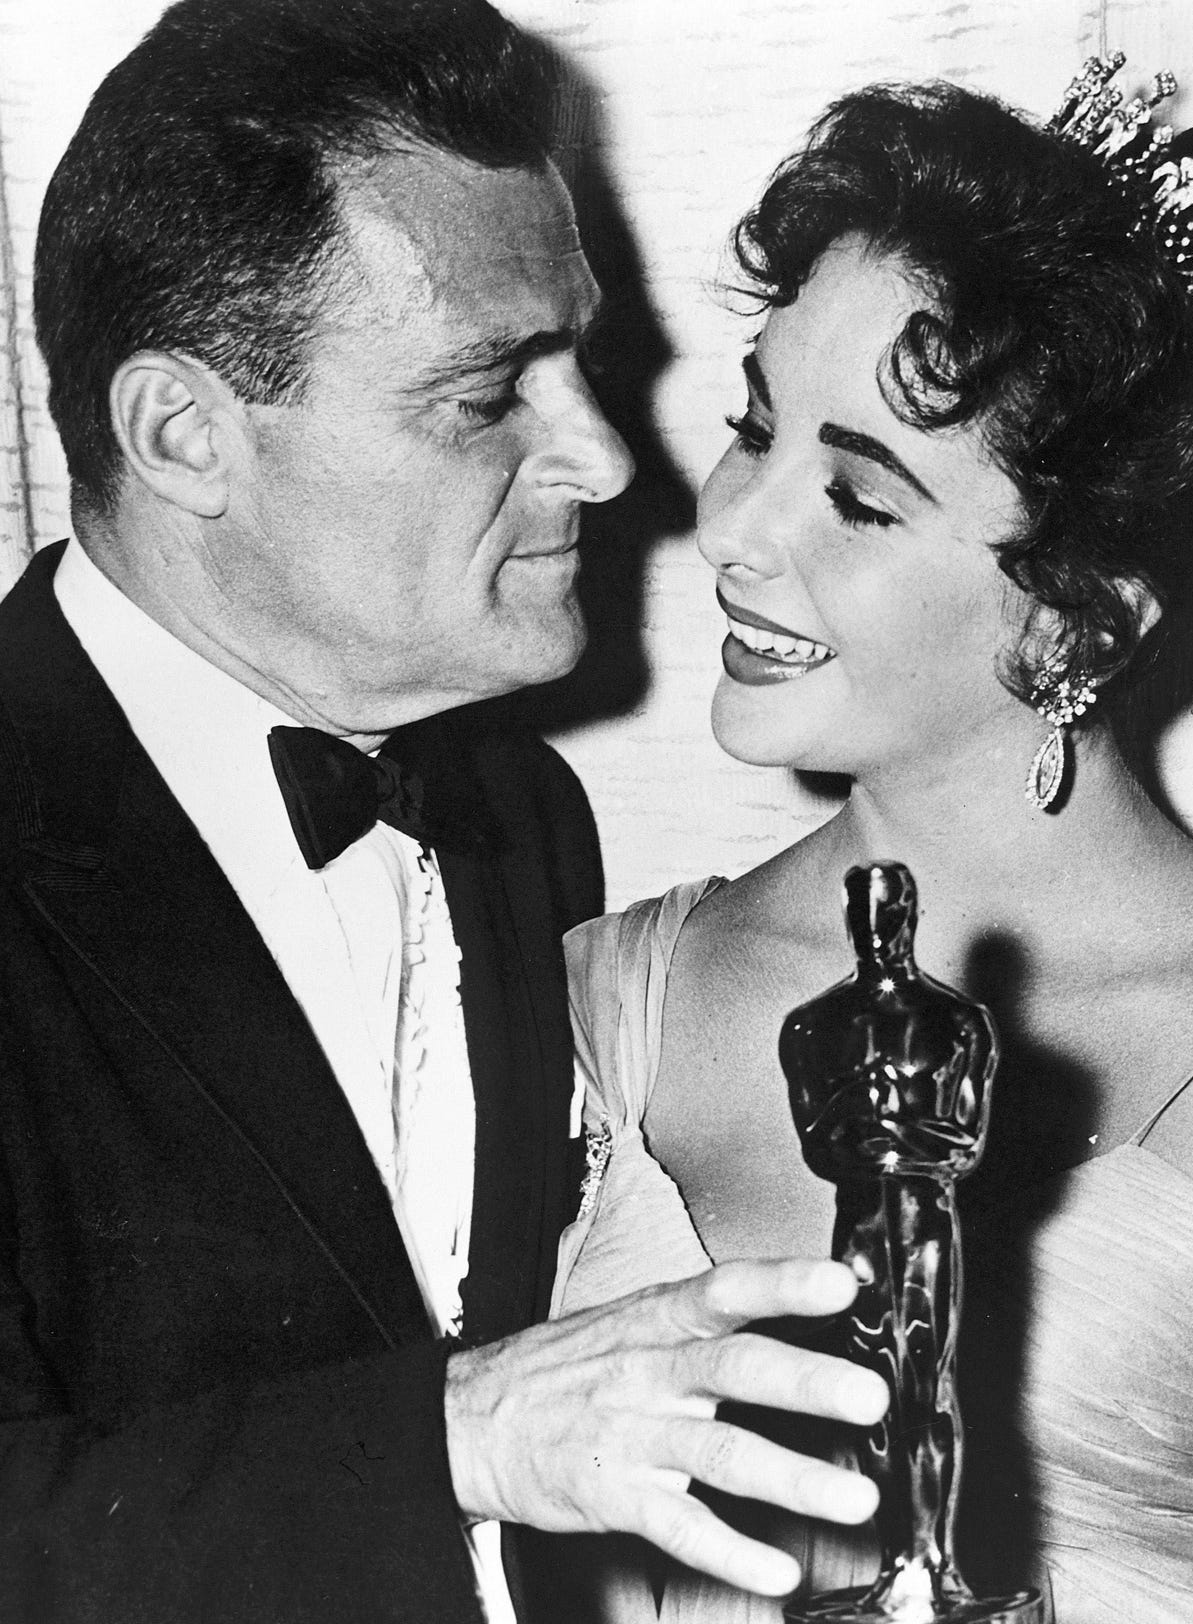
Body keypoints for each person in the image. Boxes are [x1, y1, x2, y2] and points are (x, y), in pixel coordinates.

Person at [0, 2, 894, 1620]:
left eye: (584, 359)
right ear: (184, 433)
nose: (608, 460)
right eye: (490, 396)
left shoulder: (510, 806)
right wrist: (460, 1436)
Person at [557, 76, 1193, 1623]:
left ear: (1077, 619)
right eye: (754, 430)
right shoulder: (597, 993)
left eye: (854, 496)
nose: (730, 528)